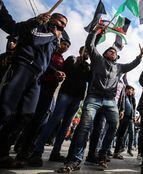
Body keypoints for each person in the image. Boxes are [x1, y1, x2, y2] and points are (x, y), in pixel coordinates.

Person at [57, 23, 143, 173]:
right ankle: (75, 160)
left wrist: (140, 56)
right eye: (110, 51)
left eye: (114, 52)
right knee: (85, 126)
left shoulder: (120, 67)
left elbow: (132, 64)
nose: (112, 52)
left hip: (110, 102)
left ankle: (102, 155)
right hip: (94, 98)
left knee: (114, 125)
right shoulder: (97, 60)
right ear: (104, 54)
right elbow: (89, 44)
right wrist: (96, 31)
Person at [0, 13, 67, 168]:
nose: (63, 26)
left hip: (37, 77)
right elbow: (35, 38)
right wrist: (52, 34)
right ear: (52, 18)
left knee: (26, 115)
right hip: (23, 68)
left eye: (65, 24)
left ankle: (3, 153)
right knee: (6, 110)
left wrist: (53, 71)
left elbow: (45, 59)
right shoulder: (39, 26)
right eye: (61, 21)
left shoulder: (53, 40)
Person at [29, 46, 91, 166]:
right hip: (65, 94)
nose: (87, 53)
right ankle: (37, 152)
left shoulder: (88, 66)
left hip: (77, 98)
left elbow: (89, 79)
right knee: (54, 121)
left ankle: (55, 153)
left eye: (89, 52)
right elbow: (64, 71)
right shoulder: (72, 59)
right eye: (85, 51)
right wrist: (78, 61)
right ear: (80, 51)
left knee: (66, 125)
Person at [15, 37, 70, 165]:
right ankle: (20, 147)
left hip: (50, 90)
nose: (65, 46)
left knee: (39, 120)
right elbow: (45, 64)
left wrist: (60, 76)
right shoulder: (50, 51)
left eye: (67, 45)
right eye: (64, 43)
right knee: (28, 117)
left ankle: (27, 148)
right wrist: (55, 71)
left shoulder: (62, 60)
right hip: (40, 86)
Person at [113, 85, 136, 159]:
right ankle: (110, 151)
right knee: (116, 134)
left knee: (121, 135)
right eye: (130, 89)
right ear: (126, 90)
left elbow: (133, 108)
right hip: (122, 117)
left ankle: (117, 152)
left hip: (128, 119)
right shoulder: (123, 96)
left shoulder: (131, 99)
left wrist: (133, 117)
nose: (131, 91)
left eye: (132, 90)